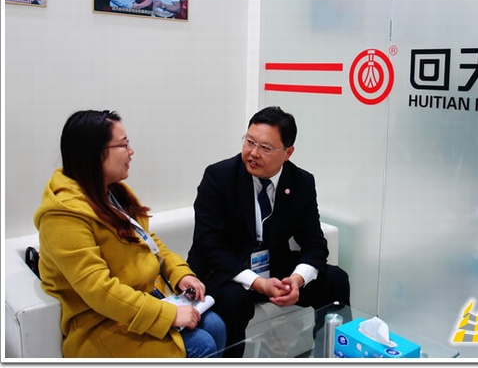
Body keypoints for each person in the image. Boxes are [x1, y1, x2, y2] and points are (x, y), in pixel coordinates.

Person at [34, 110, 226, 358]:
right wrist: (167, 315)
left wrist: (179, 273)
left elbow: (149, 242)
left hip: (142, 302)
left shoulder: (112, 192)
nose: (131, 151)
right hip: (100, 323)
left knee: (216, 325)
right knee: (201, 343)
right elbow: (98, 290)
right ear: (94, 153)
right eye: (123, 145)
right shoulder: (63, 216)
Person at [187, 106, 351, 358]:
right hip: (224, 269)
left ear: (288, 152)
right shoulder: (219, 176)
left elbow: (315, 244)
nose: (253, 153)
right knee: (233, 301)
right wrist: (258, 283)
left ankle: (329, 356)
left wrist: (296, 280)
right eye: (249, 142)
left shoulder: (301, 181)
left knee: (336, 279)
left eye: (265, 147)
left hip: (272, 267)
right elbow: (209, 246)